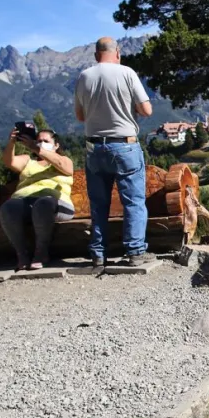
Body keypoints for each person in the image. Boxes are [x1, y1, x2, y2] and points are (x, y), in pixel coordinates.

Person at [74, 36, 153, 271]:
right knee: (134, 202)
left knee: (98, 204)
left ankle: (98, 254)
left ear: (96, 55)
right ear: (117, 52)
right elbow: (147, 110)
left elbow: (80, 116)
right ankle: (135, 252)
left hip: (94, 147)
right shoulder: (127, 73)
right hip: (125, 145)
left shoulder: (84, 76)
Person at [0, 128, 75, 270]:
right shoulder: (28, 161)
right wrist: (11, 142)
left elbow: (67, 168)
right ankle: (22, 255)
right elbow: (9, 162)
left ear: (56, 145)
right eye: (38, 141)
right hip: (25, 202)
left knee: (43, 203)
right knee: (8, 207)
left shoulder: (63, 160)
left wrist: (36, 148)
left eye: (46, 141)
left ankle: (41, 253)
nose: (41, 143)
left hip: (56, 204)